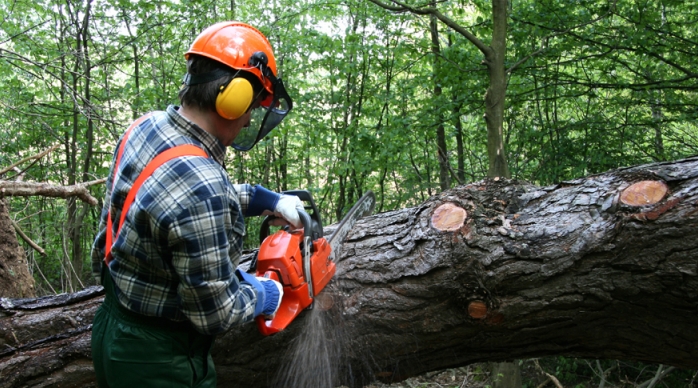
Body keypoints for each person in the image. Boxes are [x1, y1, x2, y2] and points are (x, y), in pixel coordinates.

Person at [90, 21, 300, 388]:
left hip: (111, 329)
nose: (250, 117)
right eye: (252, 105)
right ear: (232, 98)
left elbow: (167, 202)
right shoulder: (202, 184)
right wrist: (266, 293)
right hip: (160, 360)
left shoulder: (147, 126)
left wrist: (267, 199)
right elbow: (215, 313)